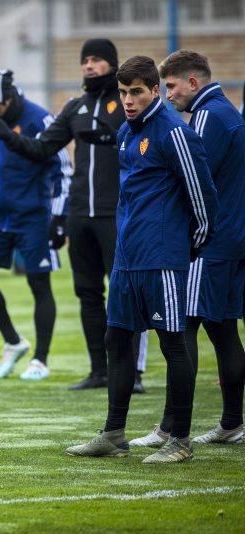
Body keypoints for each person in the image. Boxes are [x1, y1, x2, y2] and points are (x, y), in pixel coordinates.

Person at [66, 56, 217, 463]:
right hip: (127, 257)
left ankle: (180, 441)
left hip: (163, 257)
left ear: (154, 91)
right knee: (117, 339)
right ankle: (113, 433)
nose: (128, 100)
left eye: (136, 92)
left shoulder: (174, 132)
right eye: (123, 92)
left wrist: (190, 246)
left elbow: (202, 196)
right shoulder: (127, 134)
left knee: (173, 343)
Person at [0, 38, 148, 393]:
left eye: (97, 59)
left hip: (119, 212)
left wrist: (112, 138)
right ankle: (99, 370)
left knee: (125, 292)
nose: (89, 65)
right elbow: (42, 149)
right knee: (87, 293)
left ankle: (134, 373)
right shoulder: (75, 106)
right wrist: (9, 137)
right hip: (79, 215)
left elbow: (149, 146)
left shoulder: (129, 104)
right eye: (85, 59)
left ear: (112, 64)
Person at [127, 51, 245, 448]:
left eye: (172, 86)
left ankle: (171, 429)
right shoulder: (228, 111)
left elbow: (194, 178)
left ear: (193, 83)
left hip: (209, 243)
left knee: (181, 330)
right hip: (231, 239)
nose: (169, 94)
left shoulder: (209, 116)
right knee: (223, 329)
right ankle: (231, 423)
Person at [0, 67, 72, 381]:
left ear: (9, 98)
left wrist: (58, 215)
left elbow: (63, 171)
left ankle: (40, 359)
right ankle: (13, 342)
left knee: (38, 282)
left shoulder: (39, 119)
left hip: (33, 216)